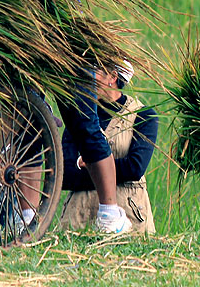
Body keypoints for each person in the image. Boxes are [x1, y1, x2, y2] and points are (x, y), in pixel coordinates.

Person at [32, 0, 131, 233]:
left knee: (84, 124)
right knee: (27, 121)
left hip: (70, 37)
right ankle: (26, 214)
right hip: (24, 33)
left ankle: (110, 212)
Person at [59, 63, 158, 234]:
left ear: (112, 77)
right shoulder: (77, 116)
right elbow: (64, 175)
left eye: (93, 71)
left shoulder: (143, 116)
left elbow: (135, 168)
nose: (85, 78)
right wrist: (102, 168)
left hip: (130, 217)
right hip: (78, 218)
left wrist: (90, 164)